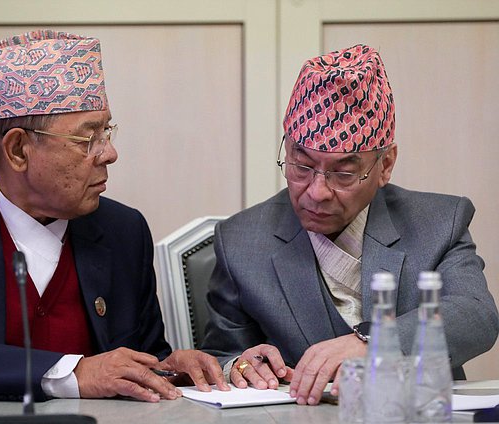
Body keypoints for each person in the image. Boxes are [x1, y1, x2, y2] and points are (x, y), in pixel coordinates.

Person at [0, 30, 227, 402]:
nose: (109, 154)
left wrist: (169, 368)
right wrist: (69, 373)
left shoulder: (123, 231)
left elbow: (139, 357)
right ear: (17, 151)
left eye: (106, 131)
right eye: (88, 139)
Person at [201, 44, 499, 405]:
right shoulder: (241, 242)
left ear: (385, 165)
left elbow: (476, 316)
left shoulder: (438, 223)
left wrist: (373, 344)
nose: (316, 192)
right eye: (301, 166)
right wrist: (242, 365)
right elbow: (220, 354)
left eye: (343, 173)